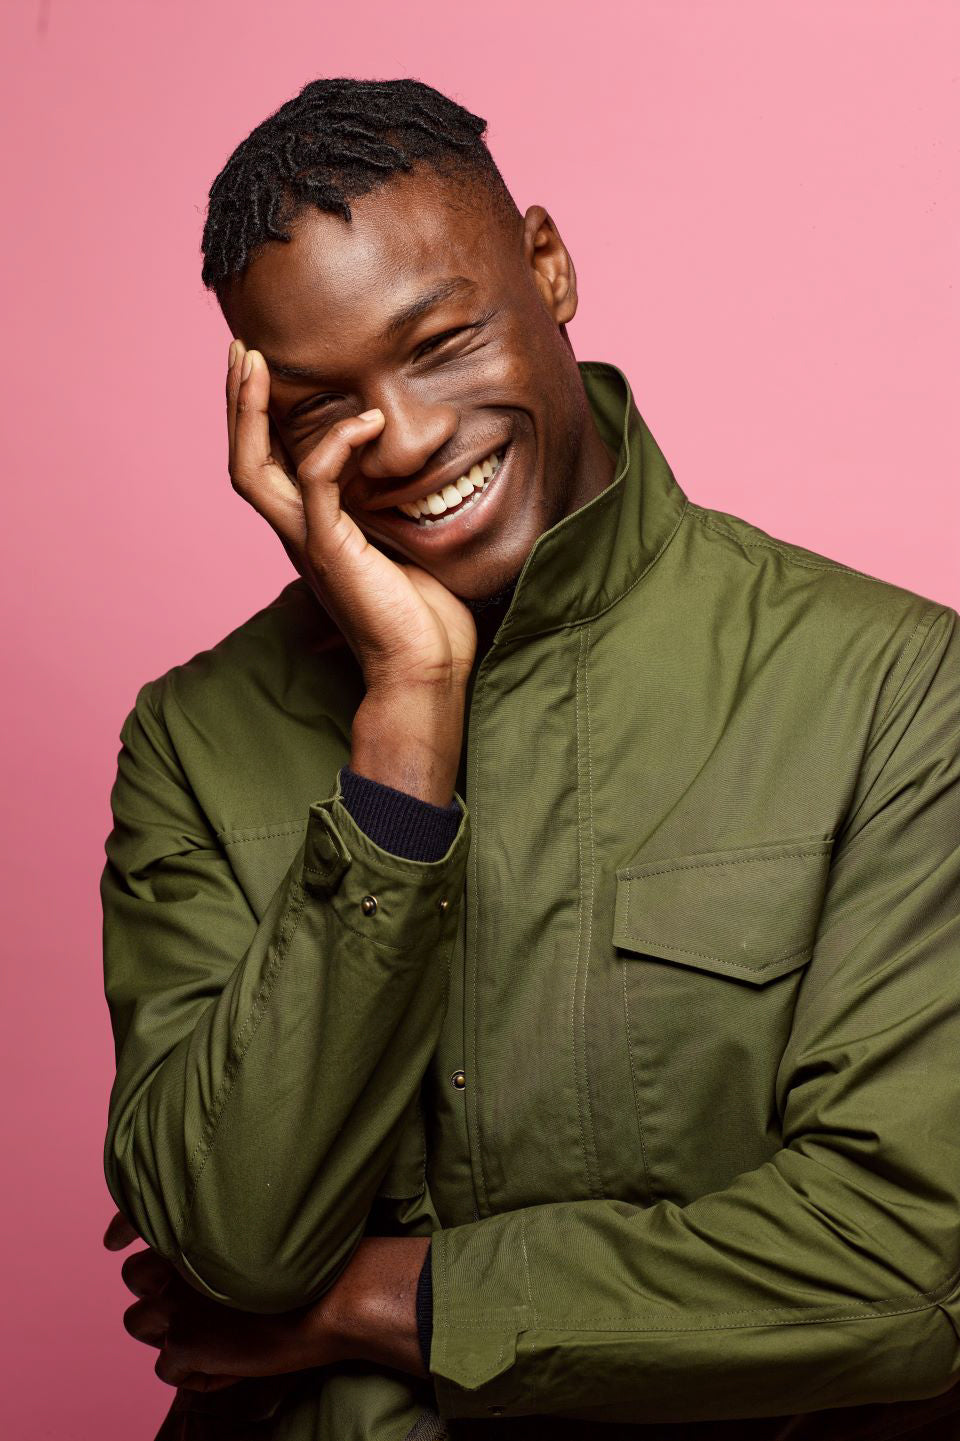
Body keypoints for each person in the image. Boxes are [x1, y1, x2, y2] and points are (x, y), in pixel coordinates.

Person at [100, 76, 960, 1441]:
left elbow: (907, 1262)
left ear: (548, 267)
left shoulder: (894, 692)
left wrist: (379, 1302)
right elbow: (231, 1246)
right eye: (327, 406)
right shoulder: (194, 745)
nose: (414, 436)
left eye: (441, 343)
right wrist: (406, 717)